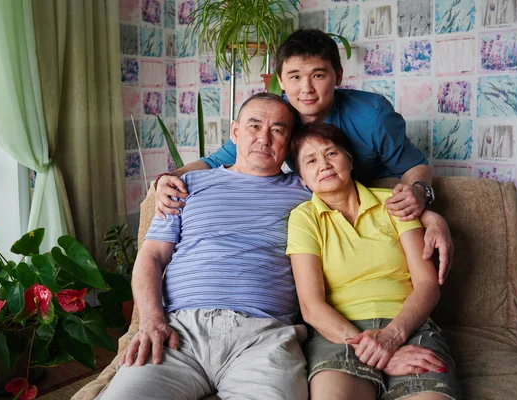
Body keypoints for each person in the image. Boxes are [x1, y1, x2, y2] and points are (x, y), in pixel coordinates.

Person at [154, 29, 454, 285]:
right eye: (295, 77)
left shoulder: (373, 114)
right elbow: (212, 162)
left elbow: (414, 167)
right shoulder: (276, 119)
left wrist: (421, 197)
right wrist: (166, 180)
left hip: (374, 209)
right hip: (319, 216)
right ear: (280, 81)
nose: (306, 89)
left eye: (318, 75)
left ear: (338, 76)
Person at [97, 93, 311, 400]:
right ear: (235, 132)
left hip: (264, 336)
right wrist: (152, 321)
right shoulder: (188, 185)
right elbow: (152, 255)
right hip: (178, 332)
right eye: (254, 126)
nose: (264, 138)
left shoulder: (307, 192)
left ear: (289, 142)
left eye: (277, 130)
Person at [286, 122, 459, 400]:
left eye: (331, 153)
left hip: (408, 325)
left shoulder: (394, 203)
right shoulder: (303, 218)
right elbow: (311, 307)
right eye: (311, 160)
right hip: (339, 334)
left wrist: (392, 337)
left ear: (350, 160)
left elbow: (427, 284)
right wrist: (374, 349)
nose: (324, 165)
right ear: (303, 179)